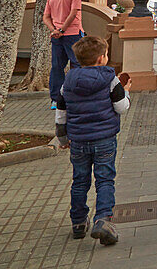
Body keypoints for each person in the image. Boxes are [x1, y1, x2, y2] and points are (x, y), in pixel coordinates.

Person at [55, 35, 131, 246]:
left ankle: (78, 222)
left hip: (78, 140)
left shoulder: (68, 80)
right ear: (101, 58)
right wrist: (128, 93)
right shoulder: (110, 79)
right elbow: (121, 107)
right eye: (106, 54)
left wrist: (62, 137)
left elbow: (61, 111)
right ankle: (102, 219)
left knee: (80, 181)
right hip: (104, 138)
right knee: (105, 179)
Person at [45, 0, 84, 109]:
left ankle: (55, 99)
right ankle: (77, 95)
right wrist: (62, 29)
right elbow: (73, 13)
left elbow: (46, 17)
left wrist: (54, 30)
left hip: (56, 36)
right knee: (78, 64)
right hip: (73, 33)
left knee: (57, 66)